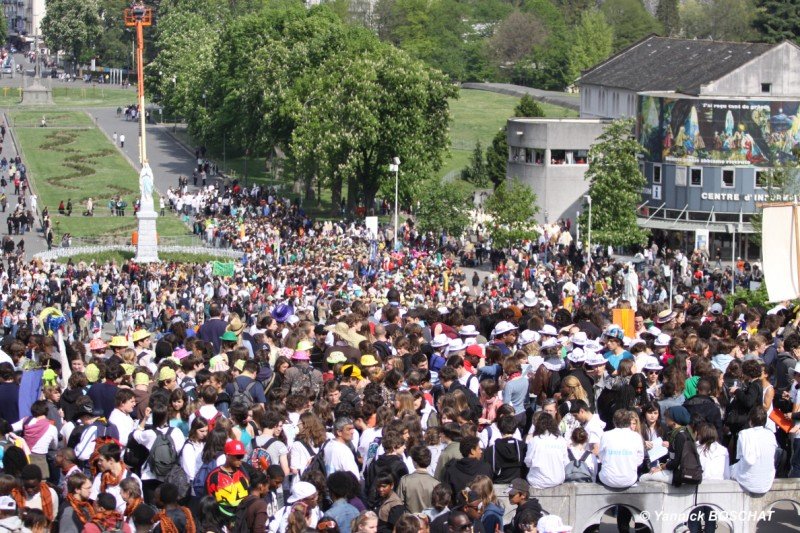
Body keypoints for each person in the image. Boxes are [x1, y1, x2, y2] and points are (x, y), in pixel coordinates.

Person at [730, 406, 778, 494]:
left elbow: (739, 457)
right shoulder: (771, 435)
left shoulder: (744, 434)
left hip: (748, 480)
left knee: (729, 469)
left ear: (750, 421)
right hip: (767, 481)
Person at [206, 439, 250, 521]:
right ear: (227, 455)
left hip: (241, 520)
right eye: (238, 456)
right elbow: (210, 502)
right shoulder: (213, 476)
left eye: (242, 456)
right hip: (221, 520)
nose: (240, 459)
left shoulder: (244, 474)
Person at [396, 445, 439, 514]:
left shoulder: (405, 480)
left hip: (409, 521)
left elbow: (399, 504)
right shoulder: (435, 483)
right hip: (427, 521)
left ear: (414, 461)